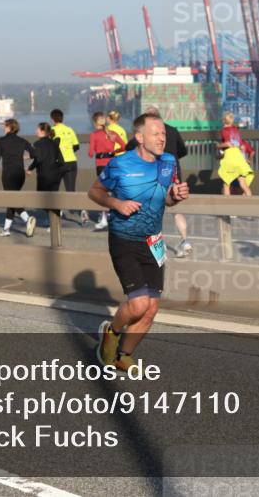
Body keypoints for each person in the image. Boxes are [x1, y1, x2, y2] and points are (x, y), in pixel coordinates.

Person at [89, 113, 190, 373]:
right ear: (139, 137)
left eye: (164, 134)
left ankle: (124, 354)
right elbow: (94, 192)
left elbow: (165, 199)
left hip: (154, 241)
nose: (161, 138)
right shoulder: (120, 164)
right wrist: (116, 203)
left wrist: (175, 196)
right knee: (139, 304)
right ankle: (110, 333)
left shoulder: (168, 162)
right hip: (124, 240)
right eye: (155, 133)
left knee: (151, 308)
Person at [125, 106, 192, 255]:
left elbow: (128, 146)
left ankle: (158, 246)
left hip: (153, 176)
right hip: (174, 176)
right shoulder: (172, 130)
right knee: (176, 210)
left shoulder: (146, 132)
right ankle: (184, 241)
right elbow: (183, 151)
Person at [0, 118, 37, 237]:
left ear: (9, 127)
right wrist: (24, 158)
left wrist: (2, 153)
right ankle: (6, 229)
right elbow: (34, 154)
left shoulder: (2, 141)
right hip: (20, 174)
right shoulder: (22, 141)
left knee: (11, 199)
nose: (3, 127)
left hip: (8, 173)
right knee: (12, 198)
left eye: (5, 126)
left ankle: (27, 219)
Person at [89, 112, 125, 230]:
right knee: (115, 189)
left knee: (102, 191)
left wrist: (95, 150)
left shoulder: (94, 135)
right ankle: (117, 216)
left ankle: (104, 219)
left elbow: (90, 153)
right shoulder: (112, 133)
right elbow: (124, 146)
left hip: (101, 165)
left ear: (95, 123)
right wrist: (115, 151)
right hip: (112, 163)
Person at [50, 109, 87, 224]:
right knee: (70, 190)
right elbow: (76, 146)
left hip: (59, 163)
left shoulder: (52, 130)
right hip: (71, 161)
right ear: (62, 118)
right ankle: (82, 210)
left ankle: (57, 212)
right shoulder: (69, 129)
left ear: (52, 119)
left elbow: (50, 147)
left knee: (54, 189)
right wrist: (68, 152)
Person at [30, 122, 67, 228]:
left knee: (41, 198)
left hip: (44, 175)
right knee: (52, 198)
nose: (35, 131)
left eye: (37, 129)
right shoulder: (54, 143)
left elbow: (38, 159)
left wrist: (30, 168)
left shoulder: (37, 144)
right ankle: (53, 219)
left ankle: (56, 214)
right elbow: (62, 161)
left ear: (42, 131)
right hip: (56, 175)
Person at [217, 112, 255, 197]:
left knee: (226, 184)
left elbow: (228, 143)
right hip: (239, 158)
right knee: (243, 184)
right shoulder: (236, 131)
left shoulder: (224, 131)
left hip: (231, 158)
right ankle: (250, 202)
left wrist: (218, 146)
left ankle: (227, 206)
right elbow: (240, 145)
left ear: (224, 121)